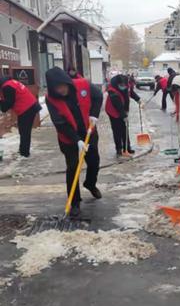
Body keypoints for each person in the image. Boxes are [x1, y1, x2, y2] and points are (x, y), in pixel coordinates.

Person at [45, 67, 103, 217]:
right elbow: (60, 123)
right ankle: (75, 202)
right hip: (67, 136)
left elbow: (98, 97)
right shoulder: (51, 99)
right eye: (57, 88)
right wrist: (76, 140)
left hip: (88, 129)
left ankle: (90, 183)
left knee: (94, 160)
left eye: (62, 86)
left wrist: (94, 115)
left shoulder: (83, 85)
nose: (61, 90)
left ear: (67, 82)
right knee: (72, 167)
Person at [0, 77, 41, 158]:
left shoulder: (7, 87)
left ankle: (24, 153)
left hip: (27, 108)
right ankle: (23, 150)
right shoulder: (10, 83)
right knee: (24, 130)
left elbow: (7, 104)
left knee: (24, 131)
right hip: (29, 106)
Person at [106, 74, 142, 157]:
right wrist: (124, 116)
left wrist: (138, 99)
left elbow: (131, 93)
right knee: (117, 130)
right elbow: (118, 106)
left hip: (122, 109)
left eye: (124, 85)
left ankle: (127, 148)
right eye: (121, 85)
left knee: (125, 129)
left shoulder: (126, 85)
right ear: (117, 84)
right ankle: (119, 149)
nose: (123, 87)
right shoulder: (112, 91)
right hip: (113, 111)